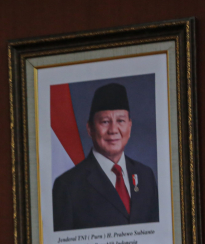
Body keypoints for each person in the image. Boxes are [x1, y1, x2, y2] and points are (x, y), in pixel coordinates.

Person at [52, 82, 159, 232]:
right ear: (90, 129)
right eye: (105, 122)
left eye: (120, 121)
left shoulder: (145, 175)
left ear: (129, 126)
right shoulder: (68, 186)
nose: (113, 130)